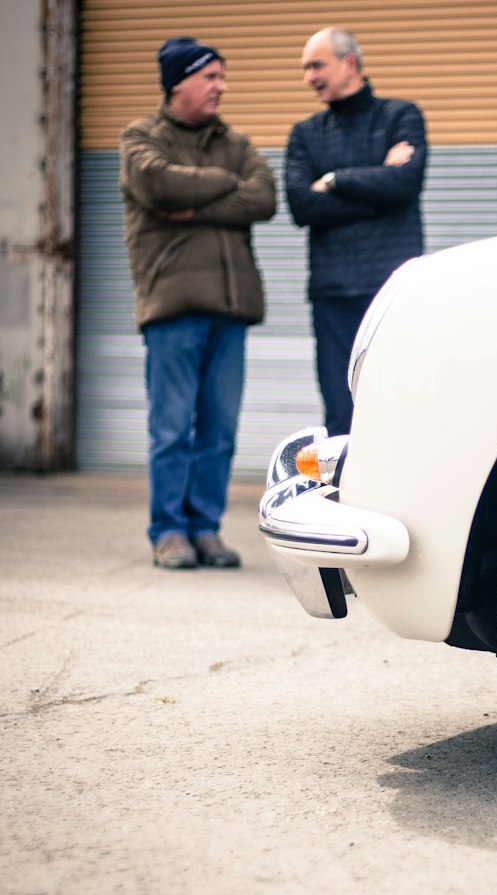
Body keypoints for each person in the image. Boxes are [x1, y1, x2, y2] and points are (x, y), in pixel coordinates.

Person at [119, 37, 276, 569]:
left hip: (230, 310)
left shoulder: (234, 142)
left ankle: (205, 528)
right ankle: (169, 531)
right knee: (171, 428)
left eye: (222, 77)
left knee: (218, 428)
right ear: (178, 82)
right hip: (173, 307)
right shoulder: (141, 138)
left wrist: (201, 200)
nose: (221, 87)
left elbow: (264, 196)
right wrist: (224, 188)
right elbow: (158, 184)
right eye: (211, 76)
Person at [285, 27, 427, 435]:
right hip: (332, 294)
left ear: (349, 64)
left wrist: (331, 179)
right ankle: (341, 495)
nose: (308, 77)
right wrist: (377, 178)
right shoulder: (305, 133)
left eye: (316, 65)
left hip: (391, 290)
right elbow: (301, 205)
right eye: (305, 68)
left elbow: (404, 185)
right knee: (340, 414)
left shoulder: (401, 116)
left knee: (398, 403)